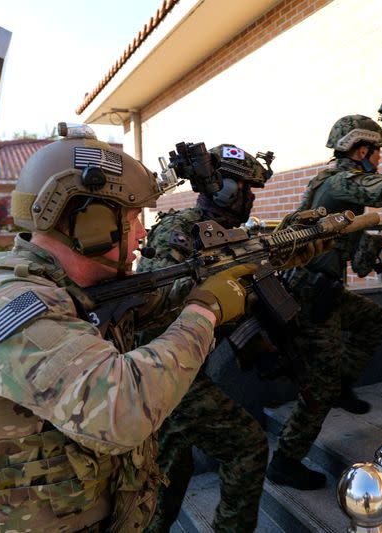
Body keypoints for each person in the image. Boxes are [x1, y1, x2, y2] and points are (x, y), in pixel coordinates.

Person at [0, 125, 255, 532]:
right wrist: (205, 310)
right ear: (92, 223)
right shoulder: (8, 304)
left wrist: (227, 273)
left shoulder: (66, 287)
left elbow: (145, 304)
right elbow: (122, 408)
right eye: (134, 218)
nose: (141, 233)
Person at [266, 114, 382, 490]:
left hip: (326, 291)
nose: (380, 159)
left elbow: (359, 260)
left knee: (375, 320)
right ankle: (286, 460)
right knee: (318, 388)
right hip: (309, 295)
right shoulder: (339, 182)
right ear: (361, 150)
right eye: (377, 152)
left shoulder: (341, 196)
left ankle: (342, 384)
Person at [138, 144, 276, 533]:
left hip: (178, 371)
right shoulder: (179, 230)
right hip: (162, 370)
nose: (250, 197)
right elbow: (155, 310)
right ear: (223, 189)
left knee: (170, 471)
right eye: (245, 188)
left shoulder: (227, 234)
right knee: (247, 447)